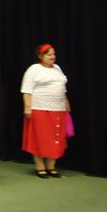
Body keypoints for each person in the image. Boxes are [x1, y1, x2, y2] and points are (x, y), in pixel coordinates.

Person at [21, 43, 71, 178]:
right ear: (40, 56)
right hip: (40, 109)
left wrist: (66, 103)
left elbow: (63, 89)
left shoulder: (57, 68)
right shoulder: (34, 69)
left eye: (54, 54)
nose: (52, 56)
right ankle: (40, 167)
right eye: (49, 54)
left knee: (56, 138)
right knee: (40, 138)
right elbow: (26, 90)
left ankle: (51, 166)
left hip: (58, 109)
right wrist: (27, 107)